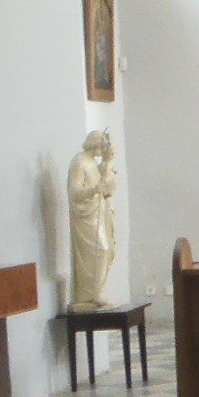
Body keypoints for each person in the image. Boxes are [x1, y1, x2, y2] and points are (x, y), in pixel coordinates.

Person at [66, 131, 119, 309]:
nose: (101, 151)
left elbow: (106, 188)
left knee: (106, 250)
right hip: (85, 217)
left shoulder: (94, 163)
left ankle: (97, 294)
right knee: (99, 250)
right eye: (101, 148)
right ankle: (88, 296)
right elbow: (74, 192)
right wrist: (93, 190)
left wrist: (106, 164)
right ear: (94, 145)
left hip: (97, 213)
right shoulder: (79, 162)